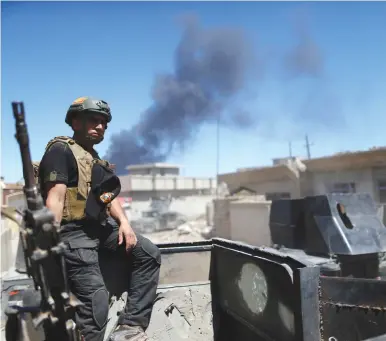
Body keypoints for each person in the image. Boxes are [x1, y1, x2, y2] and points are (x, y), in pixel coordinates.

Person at [37, 97, 161, 341]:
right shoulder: (60, 151)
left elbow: (107, 197)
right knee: (95, 301)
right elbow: (56, 198)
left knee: (147, 254)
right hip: (72, 233)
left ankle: (131, 325)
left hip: (100, 229)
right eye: (94, 120)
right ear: (75, 122)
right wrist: (50, 243)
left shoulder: (91, 157)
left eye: (104, 122)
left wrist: (124, 223)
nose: (101, 126)